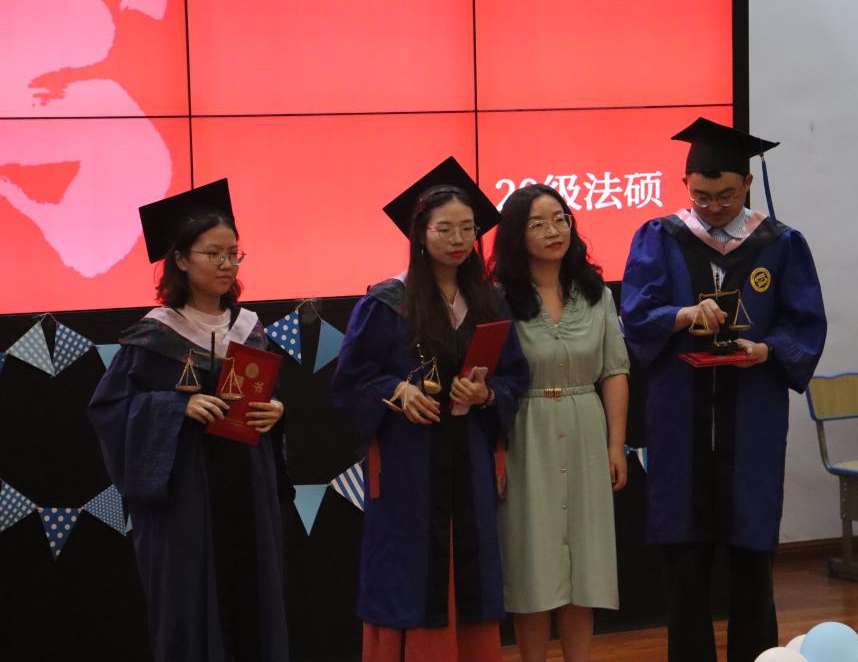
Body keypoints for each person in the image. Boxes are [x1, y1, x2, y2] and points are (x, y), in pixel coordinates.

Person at [620, 118, 827, 662]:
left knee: (752, 560)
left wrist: (768, 350)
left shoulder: (781, 244)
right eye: (701, 196)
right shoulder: (659, 237)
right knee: (684, 565)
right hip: (680, 418)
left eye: (726, 195)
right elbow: (636, 313)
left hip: (751, 417)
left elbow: (804, 322)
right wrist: (683, 315)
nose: (713, 207)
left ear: (748, 184)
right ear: (685, 184)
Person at [331, 157, 530, 662]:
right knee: (410, 568)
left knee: (470, 564)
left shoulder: (488, 301)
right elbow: (350, 381)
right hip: (408, 461)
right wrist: (397, 391)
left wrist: (488, 395)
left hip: (470, 456)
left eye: (468, 228)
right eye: (445, 229)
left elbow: (515, 375)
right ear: (420, 233)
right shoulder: (386, 302)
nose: (458, 239)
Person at [87, 179, 291, 662]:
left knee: (252, 605)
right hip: (185, 502)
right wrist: (175, 408)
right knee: (192, 610)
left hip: (247, 489)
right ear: (180, 259)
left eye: (234, 254)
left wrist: (277, 412)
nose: (226, 264)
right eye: (213, 254)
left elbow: (263, 400)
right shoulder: (153, 337)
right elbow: (110, 412)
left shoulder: (250, 330)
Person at [490, 184, 629, 662]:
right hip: (526, 432)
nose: (553, 231)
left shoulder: (596, 294)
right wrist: (497, 451)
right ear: (516, 235)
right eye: (538, 223)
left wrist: (615, 445)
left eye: (560, 219)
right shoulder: (498, 299)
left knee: (583, 569)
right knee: (532, 568)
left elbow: (615, 370)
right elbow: (491, 379)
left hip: (586, 428)